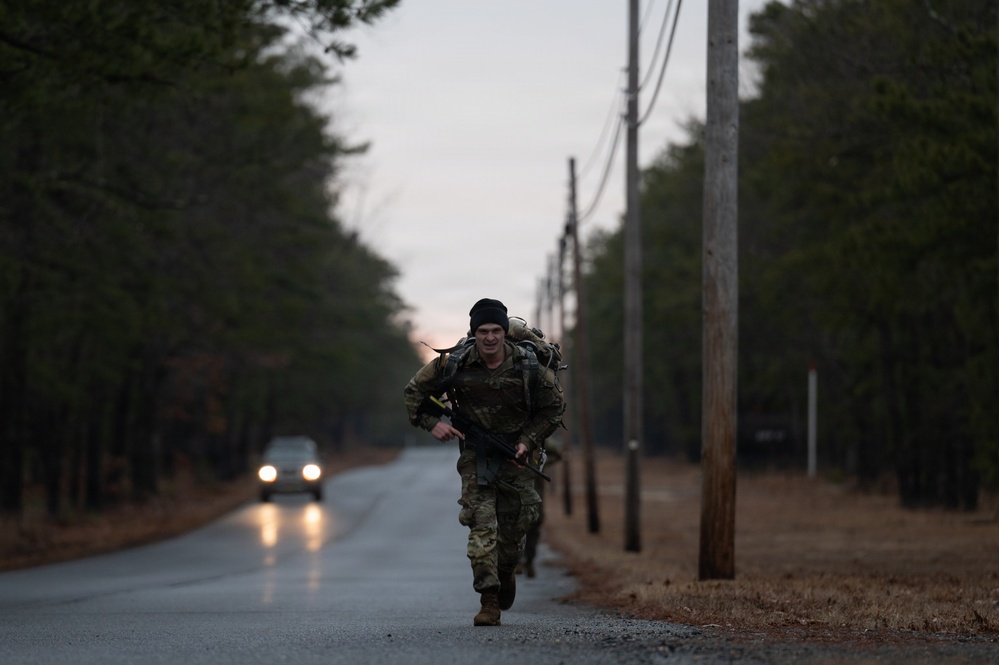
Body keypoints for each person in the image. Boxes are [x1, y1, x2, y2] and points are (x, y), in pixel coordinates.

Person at [404, 298, 565, 626]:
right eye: (482, 331)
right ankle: (488, 600)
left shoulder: (527, 367)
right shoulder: (455, 364)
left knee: (516, 528)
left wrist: (527, 440)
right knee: (481, 528)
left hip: (518, 459)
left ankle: (506, 572)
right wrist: (432, 423)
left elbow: (553, 409)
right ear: (473, 332)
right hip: (476, 457)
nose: (489, 337)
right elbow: (413, 392)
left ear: (504, 333)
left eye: (495, 331)